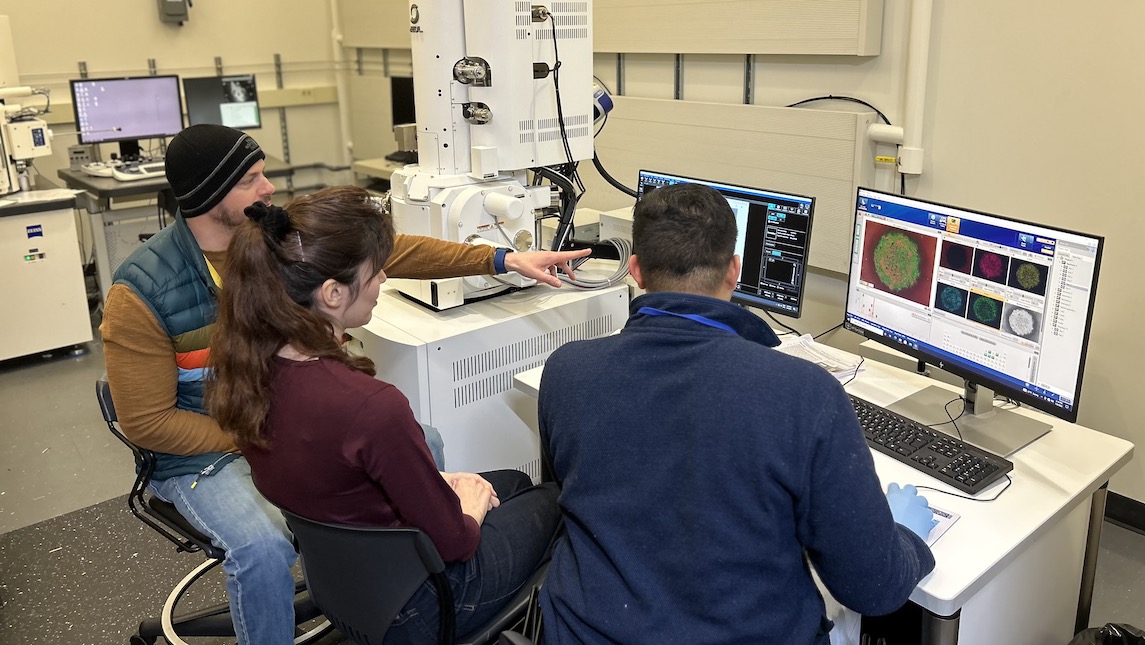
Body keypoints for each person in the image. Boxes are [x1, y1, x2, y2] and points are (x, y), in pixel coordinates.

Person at [99, 123, 587, 644]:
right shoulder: (143, 292)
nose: (268, 187)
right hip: (202, 452)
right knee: (262, 548)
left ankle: (382, 574)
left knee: (426, 442)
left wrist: (501, 259)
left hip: (267, 413)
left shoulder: (269, 240)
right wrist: (266, 430)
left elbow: (381, 252)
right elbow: (146, 422)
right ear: (209, 196)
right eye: (250, 180)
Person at [537, 183, 937, 645]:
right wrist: (905, 536)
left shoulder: (566, 371)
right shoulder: (804, 395)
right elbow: (876, 589)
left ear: (637, 271)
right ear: (734, 270)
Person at [207, 186, 561, 642]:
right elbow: (457, 542)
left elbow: (342, 480)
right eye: (375, 272)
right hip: (420, 610)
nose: (384, 279)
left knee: (511, 483)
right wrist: (467, 511)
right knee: (557, 498)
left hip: (342, 587)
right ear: (333, 293)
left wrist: (435, 485)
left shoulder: (247, 371)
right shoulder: (369, 406)